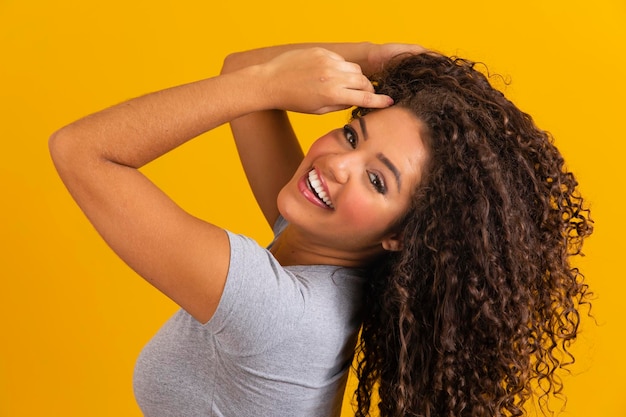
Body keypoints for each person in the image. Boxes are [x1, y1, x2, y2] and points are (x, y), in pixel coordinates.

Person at [49, 42, 592, 417]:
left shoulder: (277, 310)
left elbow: (80, 151)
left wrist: (270, 83)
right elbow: (242, 73)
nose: (337, 165)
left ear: (402, 235)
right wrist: (381, 58)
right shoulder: (323, 249)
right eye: (353, 136)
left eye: (378, 181)